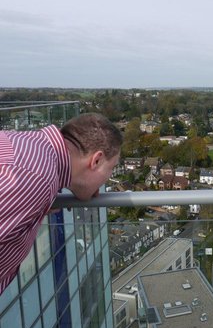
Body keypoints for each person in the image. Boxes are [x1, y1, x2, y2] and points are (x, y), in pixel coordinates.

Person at [0, 113, 122, 295]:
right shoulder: (35, 179)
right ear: (96, 160)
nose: (108, 178)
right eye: (111, 168)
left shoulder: (32, 152)